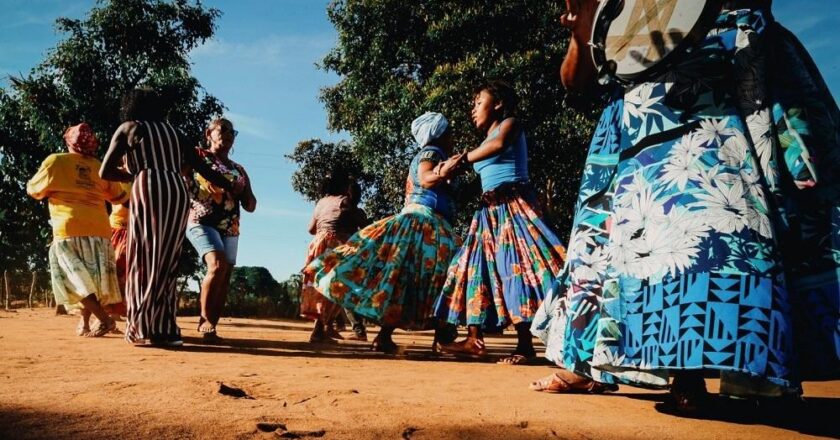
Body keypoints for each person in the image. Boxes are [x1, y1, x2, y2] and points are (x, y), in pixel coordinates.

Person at [529, 0, 840, 413]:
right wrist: (581, 28)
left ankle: (754, 368)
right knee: (648, 234)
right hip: (643, 110)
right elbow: (575, 79)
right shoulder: (610, 8)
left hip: (727, 84)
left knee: (730, 216)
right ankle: (682, 375)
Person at [307, 112, 465, 354]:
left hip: (424, 223)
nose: (453, 137)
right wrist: (445, 170)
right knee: (447, 274)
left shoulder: (433, 154)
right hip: (425, 224)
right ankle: (442, 336)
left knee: (407, 278)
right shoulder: (432, 153)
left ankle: (391, 336)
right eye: (450, 132)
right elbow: (426, 178)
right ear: (440, 134)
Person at [434, 82, 567, 364]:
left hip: (513, 205)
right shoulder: (481, 143)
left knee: (517, 269)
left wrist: (460, 161)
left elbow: (499, 145)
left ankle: (526, 345)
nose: (473, 109)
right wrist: (444, 170)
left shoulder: (510, 124)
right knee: (472, 269)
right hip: (488, 211)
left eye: (478, 101)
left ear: (498, 103)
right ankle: (473, 339)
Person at [100, 88, 242, 347]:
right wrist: (230, 185)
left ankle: (142, 327)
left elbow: (105, 170)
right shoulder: (176, 134)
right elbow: (203, 168)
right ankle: (166, 329)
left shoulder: (130, 128)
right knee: (167, 260)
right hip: (176, 191)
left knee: (144, 257)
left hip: (149, 187)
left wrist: (135, 174)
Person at [27, 122, 129, 337]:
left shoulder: (55, 161)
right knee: (91, 281)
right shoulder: (100, 166)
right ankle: (85, 322)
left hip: (68, 229)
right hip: (101, 230)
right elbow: (119, 197)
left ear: (68, 141)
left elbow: (33, 190)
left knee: (73, 279)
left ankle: (103, 319)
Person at [185, 118, 257, 341]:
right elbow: (180, 177)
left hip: (230, 226)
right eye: (221, 131)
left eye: (231, 133)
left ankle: (212, 326)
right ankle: (204, 319)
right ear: (209, 133)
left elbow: (251, 205)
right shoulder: (197, 156)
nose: (226, 137)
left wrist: (241, 192)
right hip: (200, 220)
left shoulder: (238, 169)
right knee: (217, 265)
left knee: (225, 275)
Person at [300, 170, 358, 343]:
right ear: (344, 186)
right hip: (336, 246)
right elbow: (353, 222)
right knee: (335, 288)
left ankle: (327, 328)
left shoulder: (321, 202)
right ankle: (319, 330)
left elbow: (311, 229)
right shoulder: (345, 201)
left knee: (321, 286)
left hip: (318, 244)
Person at [106, 181, 132, 319]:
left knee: (126, 272)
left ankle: (122, 310)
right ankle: (112, 312)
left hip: (134, 231)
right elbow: (123, 202)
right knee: (113, 270)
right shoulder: (115, 178)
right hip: (116, 229)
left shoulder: (143, 176)